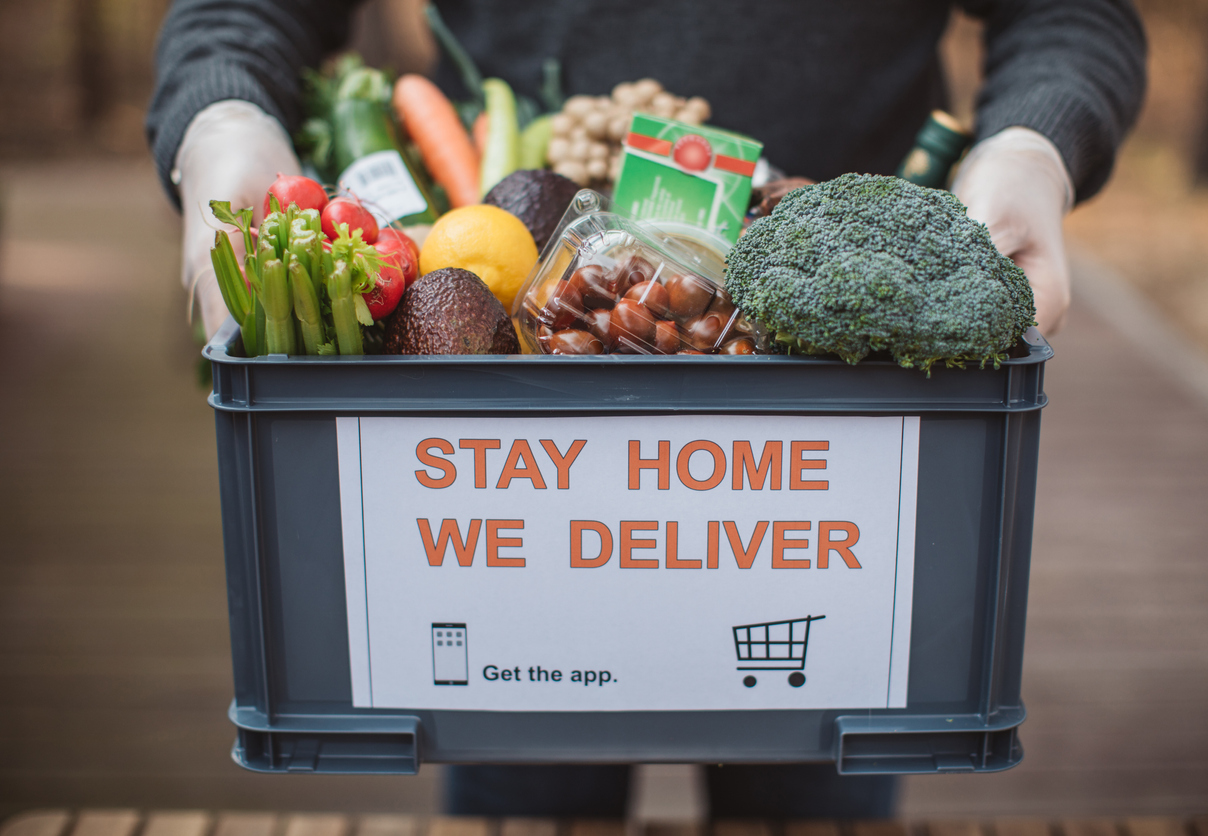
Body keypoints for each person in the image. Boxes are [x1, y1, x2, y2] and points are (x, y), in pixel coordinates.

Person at [147, 0, 1145, 816]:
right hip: (507, 431)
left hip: (846, 422)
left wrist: (1034, 147)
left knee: (819, 767)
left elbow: (1072, 17)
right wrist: (222, 119)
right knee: (522, 760)